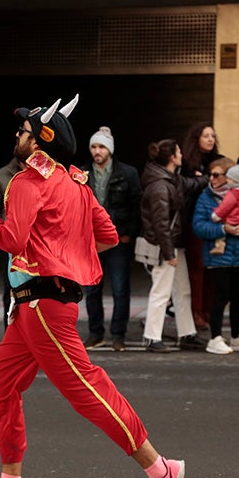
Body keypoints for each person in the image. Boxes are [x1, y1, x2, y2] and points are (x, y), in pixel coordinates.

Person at [0, 96, 185, 478]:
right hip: (35, 305)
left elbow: (11, 240)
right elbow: (107, 236)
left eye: (24, 132)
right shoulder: (75, 184)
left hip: (43, 306)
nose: (17, 136)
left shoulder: (26, 182)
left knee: (86, 389)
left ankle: (161, 470)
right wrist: (66, 251)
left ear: (40, 140)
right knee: (1, 386)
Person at [139, 139, 206, 353]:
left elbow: (190, 184)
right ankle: (152, 337)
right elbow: (161, 225)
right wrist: (169, 254)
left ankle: (187, 333)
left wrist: (209, 178)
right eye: (179, 152)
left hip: (173, 245)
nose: (182, 155)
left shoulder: (171, 179)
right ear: (171, 158)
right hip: (164, 247)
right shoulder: (160, 186)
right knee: (161, 292)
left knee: (182, 290)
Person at [191, 158, 239, 355]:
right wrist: (223, 229)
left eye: (216, 175)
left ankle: (237, 336)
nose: (211, 179)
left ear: (229, 177)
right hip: (218, 255)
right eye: (210, 174)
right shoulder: (205, 198)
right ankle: (215, 338)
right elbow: (198, 226)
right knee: (221, 294)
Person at [82, 126, 143, 352]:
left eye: (101, 147)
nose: (97, 151)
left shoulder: (127, 173)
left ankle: (118, 334)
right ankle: (95, 333)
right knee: (92, 290)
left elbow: (137, 204)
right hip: (90, 241)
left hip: (118, 239)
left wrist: (130, 233)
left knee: (120, 289)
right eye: (93, 147)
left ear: (110, 149)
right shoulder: (82, 173)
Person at [179, 122, 223, 330]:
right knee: (197, 268)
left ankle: (208, 309)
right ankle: (195, 311)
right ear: (196, 139)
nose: (210, 139)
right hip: (194, 221)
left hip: (215, 220)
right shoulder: (187, 163)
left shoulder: (219, 162)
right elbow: (184, 189)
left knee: (212, 267)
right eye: (206, 136)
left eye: (213, 136)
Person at [0, 156, 25, 327]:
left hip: (34, 239)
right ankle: (10, 330)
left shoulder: (44, 172)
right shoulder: (4, 174)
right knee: (10, 288)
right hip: (10, 239)